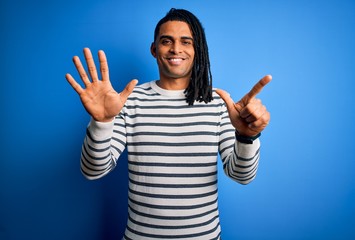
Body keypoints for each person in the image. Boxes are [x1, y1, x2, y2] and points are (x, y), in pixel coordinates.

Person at [65, 8, 271, 240]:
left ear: (197, 50)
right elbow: (93, 170)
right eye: (166, 41)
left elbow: (241, 176)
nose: (176, 49)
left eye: (186, 41)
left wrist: (246, 137)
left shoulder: (218, 103)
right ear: (154, 49)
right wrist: (102, 121)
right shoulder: (128, 100)